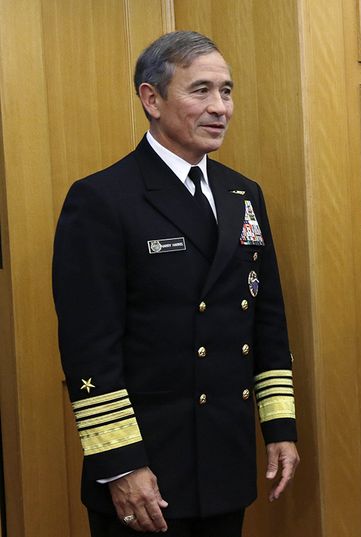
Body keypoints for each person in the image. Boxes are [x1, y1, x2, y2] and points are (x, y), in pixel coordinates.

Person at [52, 31, 298, 536]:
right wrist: (122, 465)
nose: (220, 108)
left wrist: (279, 428)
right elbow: (89, 347)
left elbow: (266, 318)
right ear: (152, 99)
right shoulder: (102, 199)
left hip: (226, 462)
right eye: (200, 91)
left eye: (226, 91)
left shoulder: (241, 193)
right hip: (147, 472)